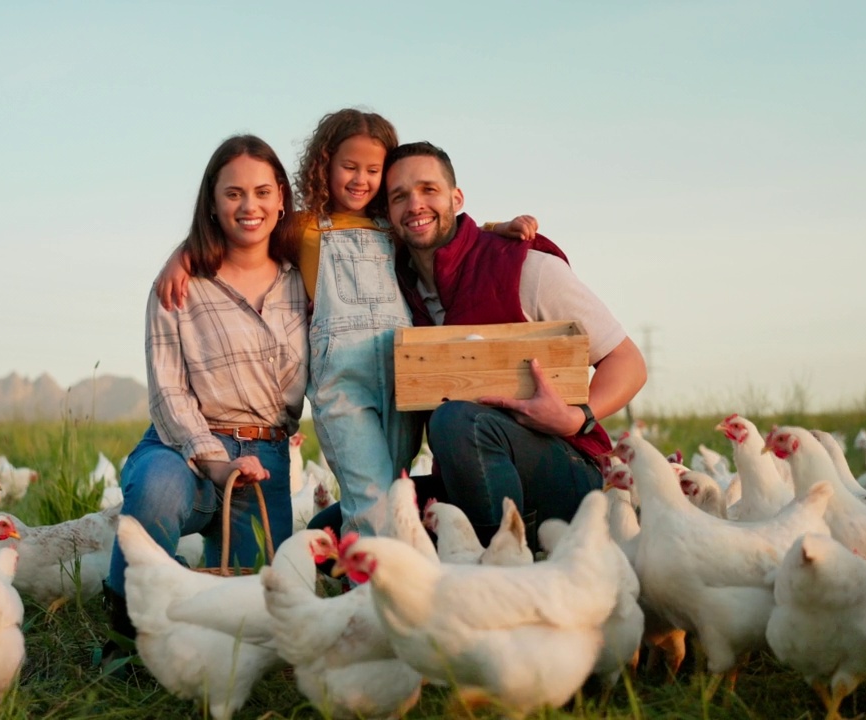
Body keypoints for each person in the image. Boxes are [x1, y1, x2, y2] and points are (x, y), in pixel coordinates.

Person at [157, 109, 537, 539]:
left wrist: (497, 227)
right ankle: (366, 592)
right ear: (325, 165)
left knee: (396, 491)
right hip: (343, 380)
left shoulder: (392, 227)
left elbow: (443, 227)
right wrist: (183, 256)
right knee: (369, 496)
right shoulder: (300, 228)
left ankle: (397, 583)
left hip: (400, 377)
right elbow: (240, 232)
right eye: (349, 167)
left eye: (374, 170)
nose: (360, 179)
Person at [102, 134, 305, 668]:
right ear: (213, 202)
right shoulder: (178, 286)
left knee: (248, 624)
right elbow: (168, 392)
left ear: (282, 197)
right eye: (233, 193)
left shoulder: (304, 277)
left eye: (262, 191)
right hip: (186, 446)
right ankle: (126, 633)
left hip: (266, 460)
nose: (249, 206)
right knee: (157, 491)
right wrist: (214, 462)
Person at [384, 141, 647, 550]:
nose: (415, 204)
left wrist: (578, 417)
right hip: (470, 476)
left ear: (457, 198)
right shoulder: (396, 293)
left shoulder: (525, 268)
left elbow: (627, 361)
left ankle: (503, 569)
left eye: (428, 190)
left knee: (457, 421)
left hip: (567, 470)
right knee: (349, 525)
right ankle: (474, 550)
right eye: (399, 196)